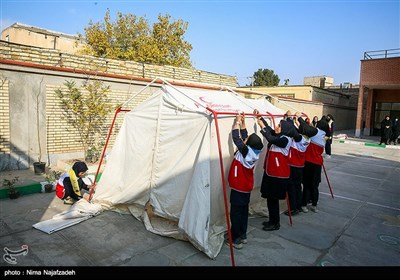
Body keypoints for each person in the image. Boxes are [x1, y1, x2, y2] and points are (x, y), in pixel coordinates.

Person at [254, 109, 296, 231]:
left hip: (278, 175)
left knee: (273, 199)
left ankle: (275, 223)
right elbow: (270, 130)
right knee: (269, 198)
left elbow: (270, 138)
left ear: (284, 129)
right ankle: (272, 220)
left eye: (279, 126)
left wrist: (262, 128)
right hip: (271, 172)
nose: (276, 127)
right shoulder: (280, 135)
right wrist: (260, 118)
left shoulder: (285, 139)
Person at [227, 113, 263, 249]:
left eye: (247, 139)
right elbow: (245, 137)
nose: (245, 139)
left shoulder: (246, 152)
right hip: (246, 187)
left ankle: (235, 239)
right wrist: (243, 122)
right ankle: (243, 235)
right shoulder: (254, 152)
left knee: (236, 213)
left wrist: (236, 122)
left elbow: (237, 139)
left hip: (239, 187)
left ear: (249, 144)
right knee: (243, 212)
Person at [297, 116, 329, 213]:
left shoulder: (316, 132)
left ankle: (304, 205)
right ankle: (314, 205)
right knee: (314, 186)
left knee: (306, 185)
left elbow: (306, 129)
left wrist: (299, 118)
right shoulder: (323, 136)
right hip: (318, 163)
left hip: (309, 162)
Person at [285, 113, 311, 216]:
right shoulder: (307, 139)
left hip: (293, 165)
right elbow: (297, 130)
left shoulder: (300, 138)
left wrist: (289, 119)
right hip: (300, 165)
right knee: (297, 187)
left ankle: (293, 208)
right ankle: (298, 206)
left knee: (291, 187)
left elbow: (293, 131)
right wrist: (296, 120)